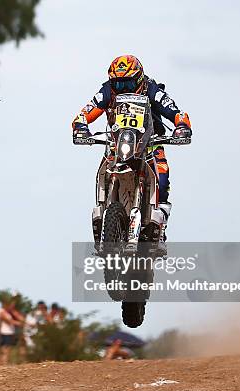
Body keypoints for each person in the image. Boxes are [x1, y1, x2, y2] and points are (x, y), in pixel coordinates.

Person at [71, 55, 192, 249]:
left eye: (128, 83)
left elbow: (175, 112)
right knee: (104, 169)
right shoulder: (106, 91)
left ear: (139, 78)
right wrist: (81, 127)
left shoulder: (150, 88)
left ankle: (160, 226)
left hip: (149, 144)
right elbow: (83, 114)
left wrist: (182, 125)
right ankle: (101, 213)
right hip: (117, 145)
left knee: (162, 175)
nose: (123, 89)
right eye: (118, 85)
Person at [0, 297, 23, 365]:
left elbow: (18, 317)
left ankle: (2, 363)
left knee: (5, 349)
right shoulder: (1, 311)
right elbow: (8, 321)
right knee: (5, 350)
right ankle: (3, 364)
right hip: (5, 333)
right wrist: (18, 323)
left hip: (9, 332)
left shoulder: (8, 312)